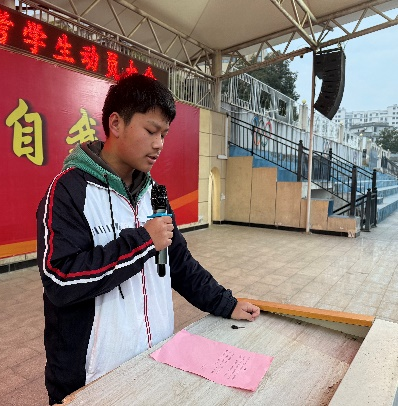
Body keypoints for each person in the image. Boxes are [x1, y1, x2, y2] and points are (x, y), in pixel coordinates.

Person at [36, 74, 260, 405]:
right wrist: (143, 242)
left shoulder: (155, 194)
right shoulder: (69, 191)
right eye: (151, 131)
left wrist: (226, 304)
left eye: (164, 134)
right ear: (116, 123)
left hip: (155, 364)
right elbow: (61, 279)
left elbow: (179, 264)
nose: (159, 144)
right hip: (91, 380)